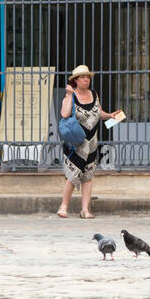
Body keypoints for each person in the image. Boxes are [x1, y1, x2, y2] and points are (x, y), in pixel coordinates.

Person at [57, 65, 122, 219]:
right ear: (75, 80)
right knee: (73, 175)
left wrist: (111, 116)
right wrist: (68, 94)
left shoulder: (94, 94)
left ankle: (85, 210)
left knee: (88, 176)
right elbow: (65, 113)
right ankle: (63, 206)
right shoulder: (70, 96)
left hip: (92, 142)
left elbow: (99, 113)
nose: (86, 79)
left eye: (88, 77)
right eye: (82, 77)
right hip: (76, 142)